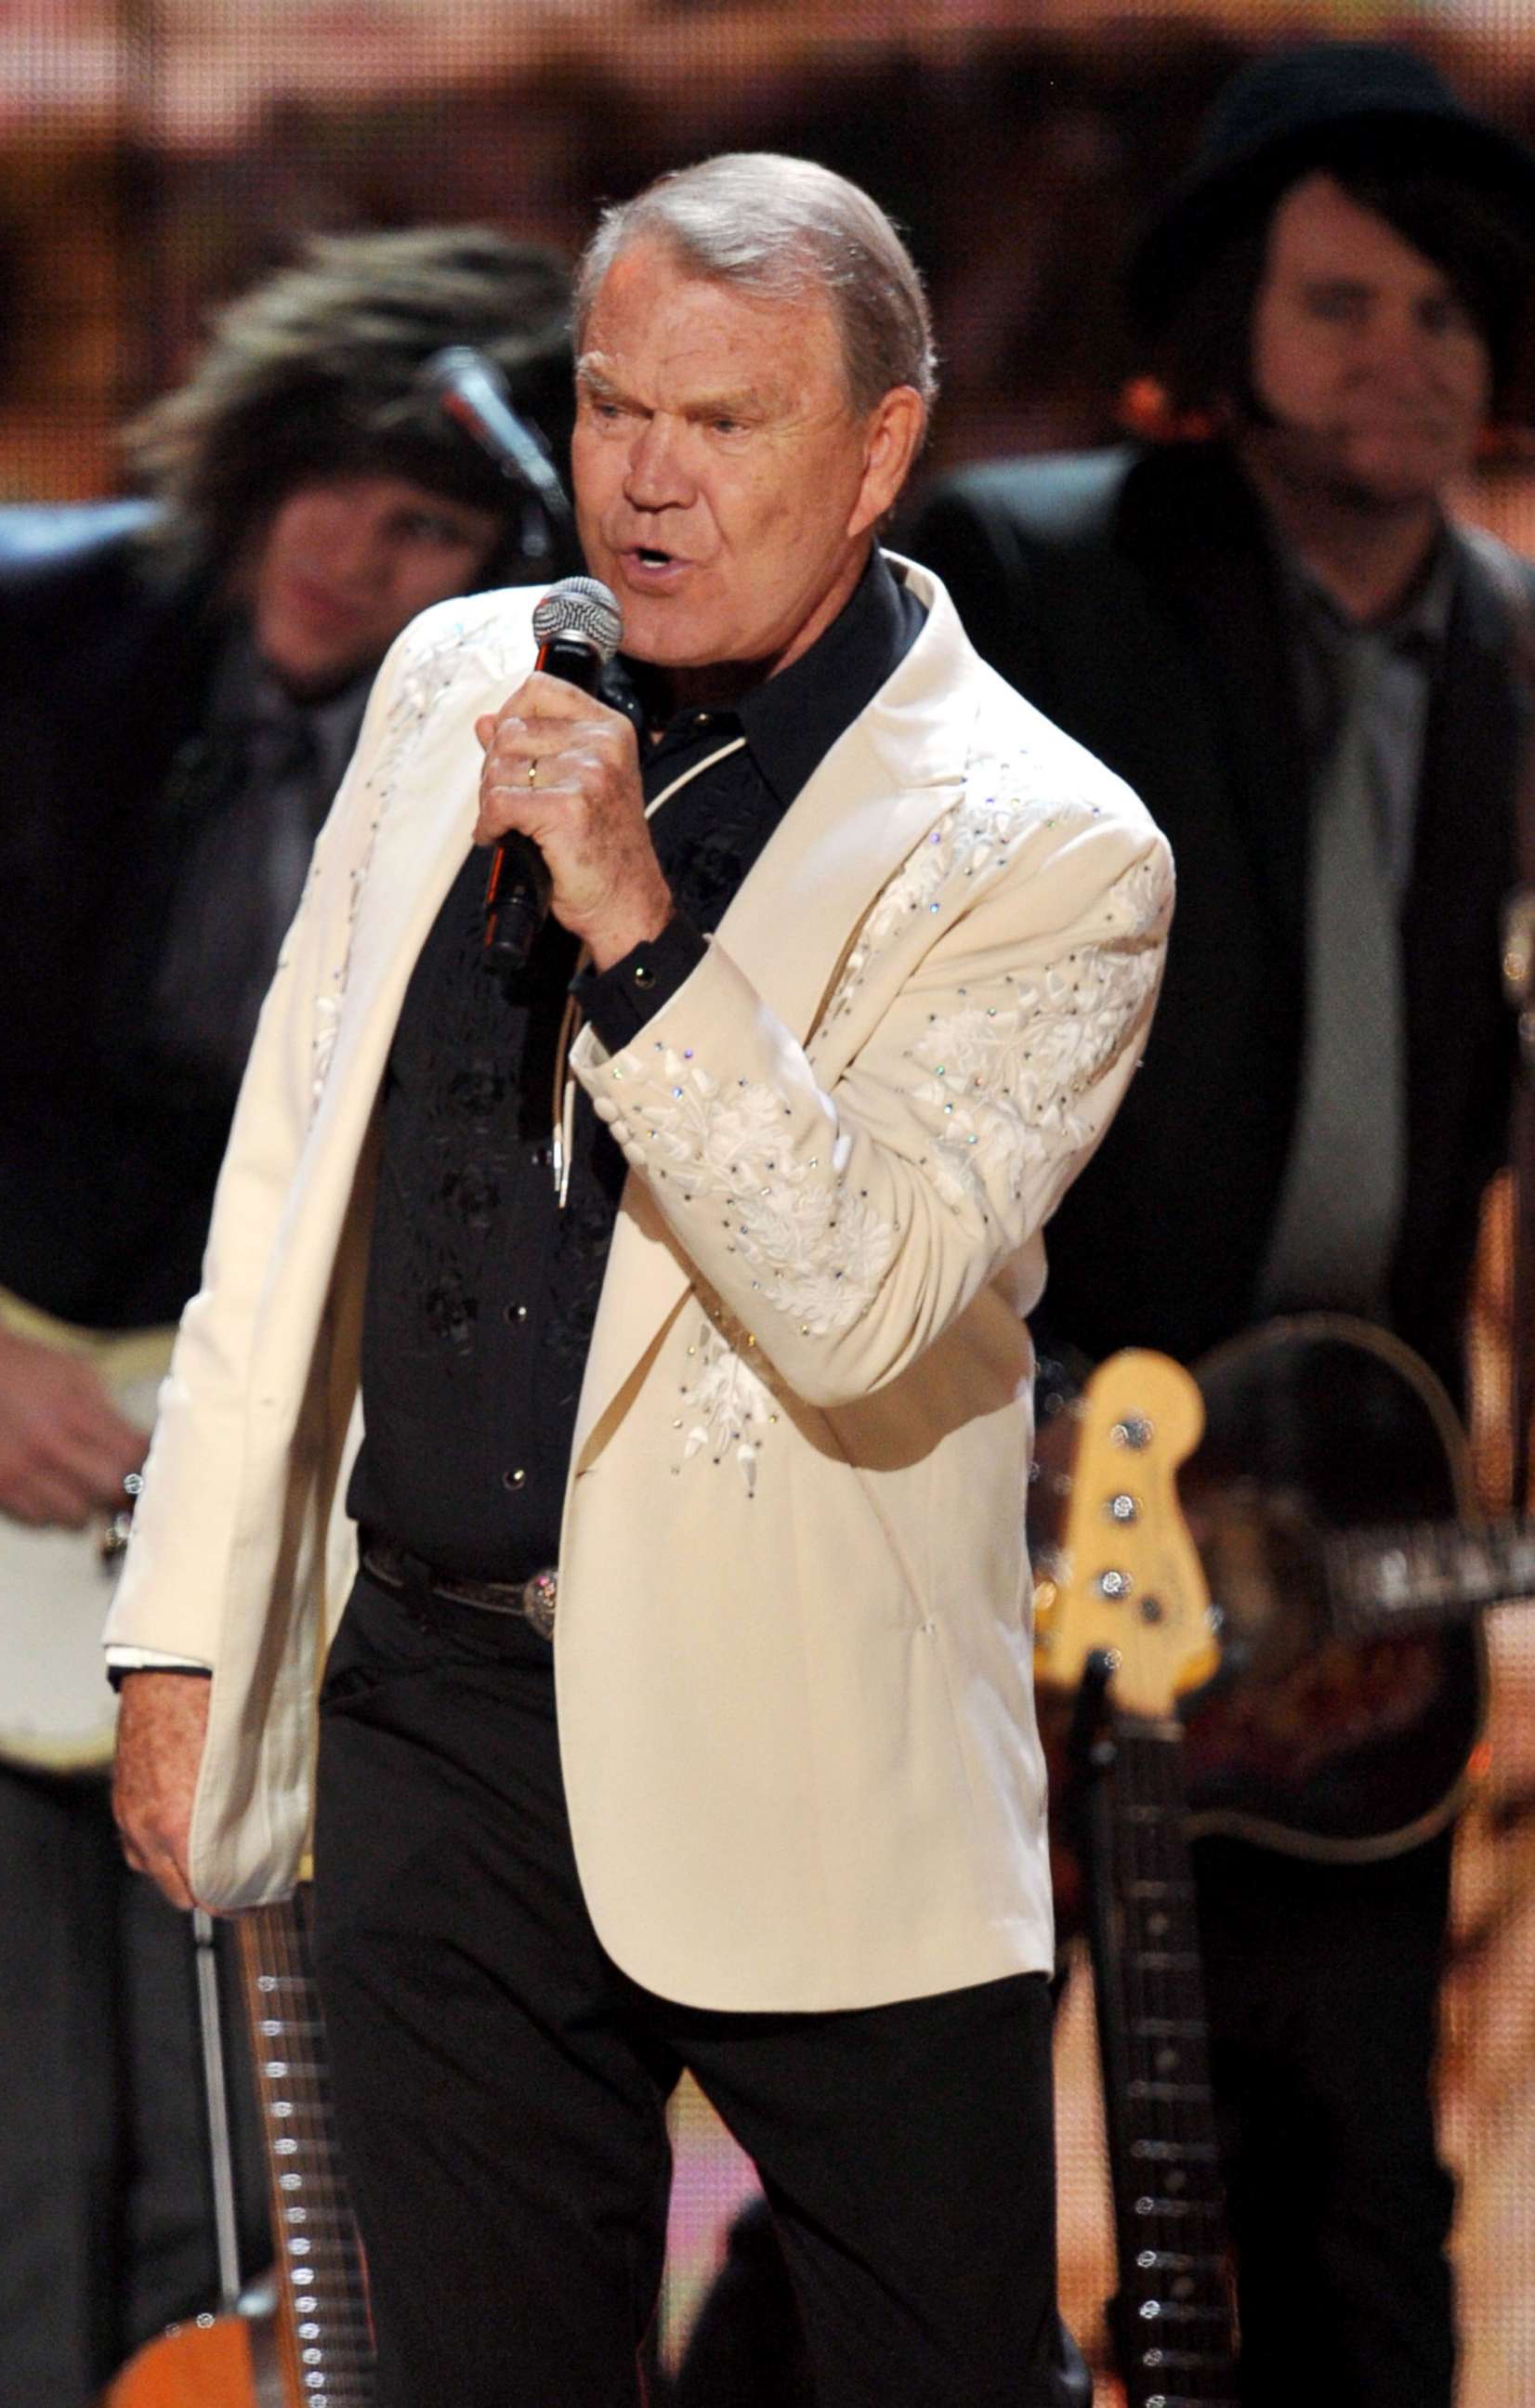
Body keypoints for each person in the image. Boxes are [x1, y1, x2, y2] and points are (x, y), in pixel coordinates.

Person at [108, 151, 1170, 2408]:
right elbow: (289, 1164)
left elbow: (863, 1288)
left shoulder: (1046, 843)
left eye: (725, 424)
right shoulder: (452, 685)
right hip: (444, 1723)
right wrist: (185, 1628)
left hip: (823, 1745)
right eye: (613, 412)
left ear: (881, 446)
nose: (647, 480)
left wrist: (639, 928)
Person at [0, 224, 575, 2408]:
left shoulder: (474, 777)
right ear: (259, 455)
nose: (366, 550)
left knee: (225, 2203)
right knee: (2, 2182)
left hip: (233, 1553)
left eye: (437, 523)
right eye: (342, 483)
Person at [903, 40, 1535, 2408]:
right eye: (1348, 304)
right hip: (1022, 1471)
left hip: (1334, 1540)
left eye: (1453, 315)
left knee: (1356, 2214)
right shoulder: (1038, 574)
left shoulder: (1501, 643)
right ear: (1231, 329)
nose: (1412, 358)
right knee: (921, 2186)